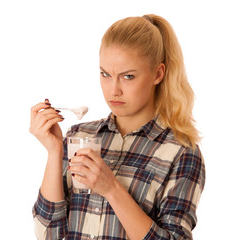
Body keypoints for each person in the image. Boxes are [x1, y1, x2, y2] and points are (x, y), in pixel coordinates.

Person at [29, 14, 205, 240]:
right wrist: (55, 152)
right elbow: (47, 234)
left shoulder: (181, 152)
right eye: (105, 74)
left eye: (128, 76)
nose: (113, 90)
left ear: (158, 74)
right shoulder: (80, 137)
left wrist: (111, 188)